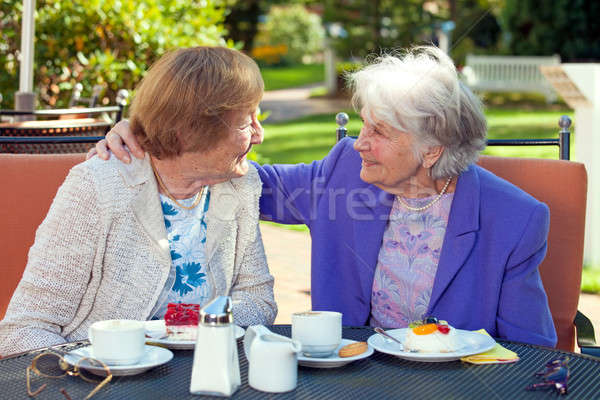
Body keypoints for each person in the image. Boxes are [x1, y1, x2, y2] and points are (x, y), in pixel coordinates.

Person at [94, 46, 557, 347]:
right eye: (362, 126)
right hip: (345, 380)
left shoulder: (513, 220)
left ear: (432, 149)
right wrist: (152, 138)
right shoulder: (345, 175)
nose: (360, 143)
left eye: (379, 131)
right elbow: (242, 179)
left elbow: (532, 354)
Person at [0, 47, 277, 356]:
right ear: (191, 131)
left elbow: (258, 301)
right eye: (245, 122)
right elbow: (23, 330)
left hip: (206, 374)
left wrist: (189, 325)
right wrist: (91, 370)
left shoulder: (241, 185)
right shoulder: (98, 187)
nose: (259, 134)